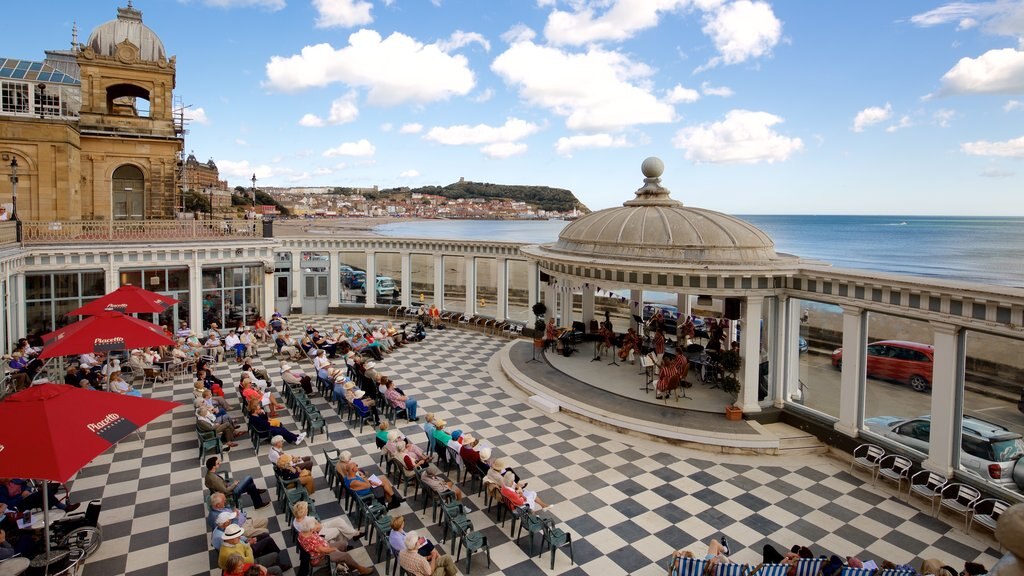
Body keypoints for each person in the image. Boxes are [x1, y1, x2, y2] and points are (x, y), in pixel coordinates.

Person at [296, 516, 374, 575]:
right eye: (314, 525)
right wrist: (333, 549)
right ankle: (361, 569)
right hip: (322, 557)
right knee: (345, 555)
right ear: (310, 529)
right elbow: (322, 550)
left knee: (343, 544)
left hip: (325, 546)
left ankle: (343, 564)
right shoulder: (310, 539)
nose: (315, 526)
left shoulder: (302, 532)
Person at [218, 524, 286, 575]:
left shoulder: (233, 543)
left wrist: (247, 548)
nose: (239, 538)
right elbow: (250, 561)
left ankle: (277, 566)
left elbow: (245, 548)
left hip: (247, 564)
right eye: (237, 537)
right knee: (277, 569)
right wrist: (248, 548)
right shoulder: (228, 554)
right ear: (229, 539)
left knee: (275, 555)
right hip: (249, 568)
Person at [205, 456, 271, 509]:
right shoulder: (214, 479)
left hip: (227, 487)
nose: (220, 464)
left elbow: (208, 484)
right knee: (249, 478)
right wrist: (234, 484)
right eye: (218, 463)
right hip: (230, 493)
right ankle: (256, 492)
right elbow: (225, 491)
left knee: (251, 486)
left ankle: (258, 504)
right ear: (213, 466)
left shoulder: (209, 474)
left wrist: (226, 484)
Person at [291, 500, 362, 542]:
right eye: (306, 509)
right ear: (303, 512)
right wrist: (315, 523)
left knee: (338, 520)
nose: (307, 510)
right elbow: (318, 527)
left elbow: (318, 525)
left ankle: (354, 534)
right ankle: (344, 546)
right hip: (318, 536)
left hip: (318, 528)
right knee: (338, 530)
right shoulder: (304, 523)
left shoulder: (297, 518)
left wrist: (316, 523)